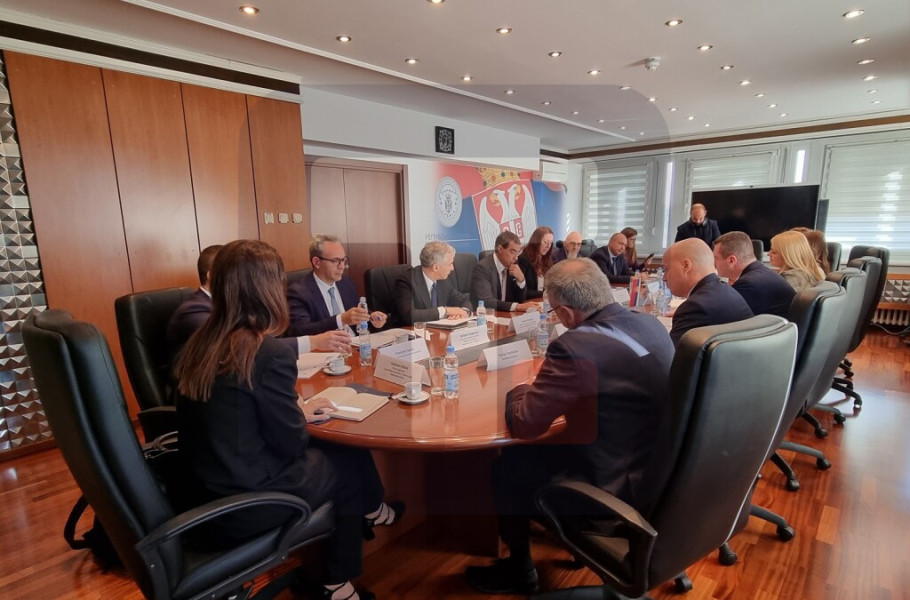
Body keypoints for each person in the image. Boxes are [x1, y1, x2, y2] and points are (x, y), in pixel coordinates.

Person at [174, 240, 402, 600]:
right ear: (268, 290)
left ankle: (368, 518)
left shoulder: (201, 341)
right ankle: (337, 584)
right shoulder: (266, 352)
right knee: (345, 458)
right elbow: (291, 444)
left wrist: (295, 410)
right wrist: (297, 411)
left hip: (199, 492)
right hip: (246, 502)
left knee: (341, 450)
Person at [464, 258, 674, 594]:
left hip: (614, 491)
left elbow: (525, 423)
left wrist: (519, 387)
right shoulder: (650, 324)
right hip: (661, 475)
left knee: (509, 465)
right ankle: (569, 549)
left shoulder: (575, 346)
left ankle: (519, 570)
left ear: (564, 313)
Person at [166, 244, 349, 360]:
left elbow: (265, 338)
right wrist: (312, 342)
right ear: (214, 276)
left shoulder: (235, 306)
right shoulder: (193, 311)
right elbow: (241, 349)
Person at [287, 234, 387, 336]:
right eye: (335, 261)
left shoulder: (346, 283)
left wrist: (371, 317)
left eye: (343, 260)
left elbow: (356, 312)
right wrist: (340, 320)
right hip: (327, 345)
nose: (342, 266)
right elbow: (301, 330)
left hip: (355, 342)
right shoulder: (298, 292)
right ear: (317, 262)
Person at [663, 238, 754, 346]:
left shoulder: (695, 307)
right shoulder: (726, 290)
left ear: (686, 266)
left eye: (666, 269)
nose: (664, 278)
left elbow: (671, 355)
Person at [713, 231, 795, 318]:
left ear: (731, 261)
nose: (713, 263)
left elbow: (721, 316)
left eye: (716, 258)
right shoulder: (761, 273)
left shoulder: (748, 284)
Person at [393, 241, 472, 325]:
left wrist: (464, 311)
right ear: (436, 268)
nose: (452, 268)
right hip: (410, 331)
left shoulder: (443, 280)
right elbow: (410, 316)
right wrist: (445, 311)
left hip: (436, 330)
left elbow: (464, 299)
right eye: (450, 264)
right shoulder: (406, 281)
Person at [470, 231, 538, 312]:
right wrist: (517, 306)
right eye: (512, 252)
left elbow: (520, 299)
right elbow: (487, 301)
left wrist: (521, 280)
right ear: (500, 249)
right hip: (487, 315)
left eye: (517, 253)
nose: (516, 258)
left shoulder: (513, 264)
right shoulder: (482, 268)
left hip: (506, 314)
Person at [516, 226, 555, 299]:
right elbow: (522, 292)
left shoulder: (548, 259)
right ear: (536, 242)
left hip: (542, 300)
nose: (548, 246)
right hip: (528, 302)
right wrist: (544, 294)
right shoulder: (523, 259)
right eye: (545, 242)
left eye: (550, 243)